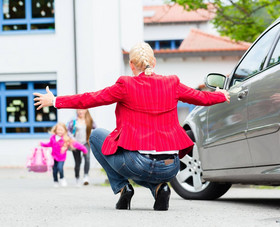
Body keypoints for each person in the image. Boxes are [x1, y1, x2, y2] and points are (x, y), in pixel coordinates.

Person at [34, 42, 230, 210]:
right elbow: (201, 97)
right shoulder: (172, 83)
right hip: (171, 167)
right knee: (145, 167)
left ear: (131, 65)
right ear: (154, 62)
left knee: (96, 137)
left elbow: (91, 99)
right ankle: (160, 188)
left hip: (138, 163)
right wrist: (221, 95)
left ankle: (122, 188)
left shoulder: (125, 85)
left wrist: (55, 100)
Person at [40, 122, 88, 188]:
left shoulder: (66, 139)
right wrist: (42, 144)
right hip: (54, 157)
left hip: (61, 158)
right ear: (55, 130)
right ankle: (55, 181)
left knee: (60, 168)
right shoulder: (53, 138)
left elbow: (76, 144)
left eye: (61, 130)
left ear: (65, 131)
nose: (59, 131)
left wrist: (84, 149)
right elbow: (49, 144)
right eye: (58, 129)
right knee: (54, 170)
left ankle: (62, 178)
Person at [67, 109, 96, 185]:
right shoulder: (73, 121)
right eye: (79, 110)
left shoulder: (89, 120)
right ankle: (77, 178)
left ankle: (86, 176)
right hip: (76, 143)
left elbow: (95, 128)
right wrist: (72, 138)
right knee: (77, 162)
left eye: (82, 110)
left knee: (87, 158)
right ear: (76, 111)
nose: (80, 112)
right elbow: (68, 131)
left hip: (86, 143)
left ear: (86, 110)